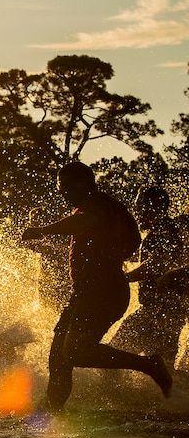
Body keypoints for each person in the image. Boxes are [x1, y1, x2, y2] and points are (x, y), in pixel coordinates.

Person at [21, 162, 172, 412]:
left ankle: (148, 365)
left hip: (103, 291)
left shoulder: (97, 204)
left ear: (82, 183)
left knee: (75, 353)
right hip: (89, 291)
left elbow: (84, 223)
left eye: (64, 187)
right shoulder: (109, 207)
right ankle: (50, 411)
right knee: (58, 356)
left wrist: (42, 231)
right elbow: (133, 242)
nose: (62, 193)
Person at [108, 187, 188, 368]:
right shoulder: (165, 232)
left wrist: (122, 278)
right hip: (167, 316)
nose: (136, 212)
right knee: (163, 372)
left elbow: (158, 264)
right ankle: (177, 396)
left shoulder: (164, 232)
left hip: (154, 316)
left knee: (110, 360)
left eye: (140, 207)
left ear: (154, 208)